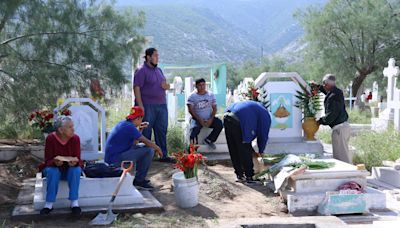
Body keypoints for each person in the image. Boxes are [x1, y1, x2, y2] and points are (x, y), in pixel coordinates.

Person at [105, 106, 163, 190]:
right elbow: (146, 141)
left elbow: (135, 143)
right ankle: (139, 181)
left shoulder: (124, 124)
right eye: (141, 119)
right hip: (115, 160)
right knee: (149, 150)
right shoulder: (130, 127)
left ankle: (139, 178)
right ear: (139, 118)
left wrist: (140, 129)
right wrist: (158, 148)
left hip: (114, 156)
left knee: (143, 147)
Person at [134, 47, 173, 163]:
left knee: (161, 130)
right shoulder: (141, 71)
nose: (157, 58)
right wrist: (140, 106)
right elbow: (136, 88)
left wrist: (167, 86)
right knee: (146, 131)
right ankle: (145, 157)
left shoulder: (159, 70)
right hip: (147, 105)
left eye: (158, 55)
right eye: (155, 55)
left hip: (161, 105)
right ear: (148, 57)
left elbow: (165, 84)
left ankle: (163, 155)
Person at [38, 116, 83, 215]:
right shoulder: (50, 138)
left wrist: (75, 163)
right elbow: (47, 160)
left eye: (73, 126)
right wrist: (55, 162)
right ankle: (49, 204)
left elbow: (78, 159)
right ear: (61, 130)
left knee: (76, 170)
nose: (73, 129)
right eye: (70, 127)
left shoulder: (75, 138)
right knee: (52, 171)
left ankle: (74, 203)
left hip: (69, 170)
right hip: (53, 169)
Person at [224, 100, 271, 183]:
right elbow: (263, 135)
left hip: (227, 117)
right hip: (239, 120)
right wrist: (261, 151)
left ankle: (240, 175)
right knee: (245, 148)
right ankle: (250, 176)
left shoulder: (255, 107)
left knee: (233, 148)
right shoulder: (265, 115)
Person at [317, 74, 351, 163]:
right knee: (340, 156)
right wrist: (318, 87)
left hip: (339, 129)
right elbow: (327, 92)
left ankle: (347, 176)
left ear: (326, 84)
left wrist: (320, 121)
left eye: (323, 85)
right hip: (344, 127)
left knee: (342, 158)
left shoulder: (332, 96)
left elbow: (331, 116)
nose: (323, 86)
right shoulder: (336, 92)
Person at [187, 78, 223, 149]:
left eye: (203, 85)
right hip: (197, 118)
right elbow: (190, 110)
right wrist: (199, 119)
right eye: (200, 85)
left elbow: (215, 108)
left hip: (209, 118)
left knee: (219, 124)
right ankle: (193, 150)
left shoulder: (210, 95)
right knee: (194, 129)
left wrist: (210, 119)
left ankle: (209, 140)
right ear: (196, 86)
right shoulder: (192, 96)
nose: (202, 87)